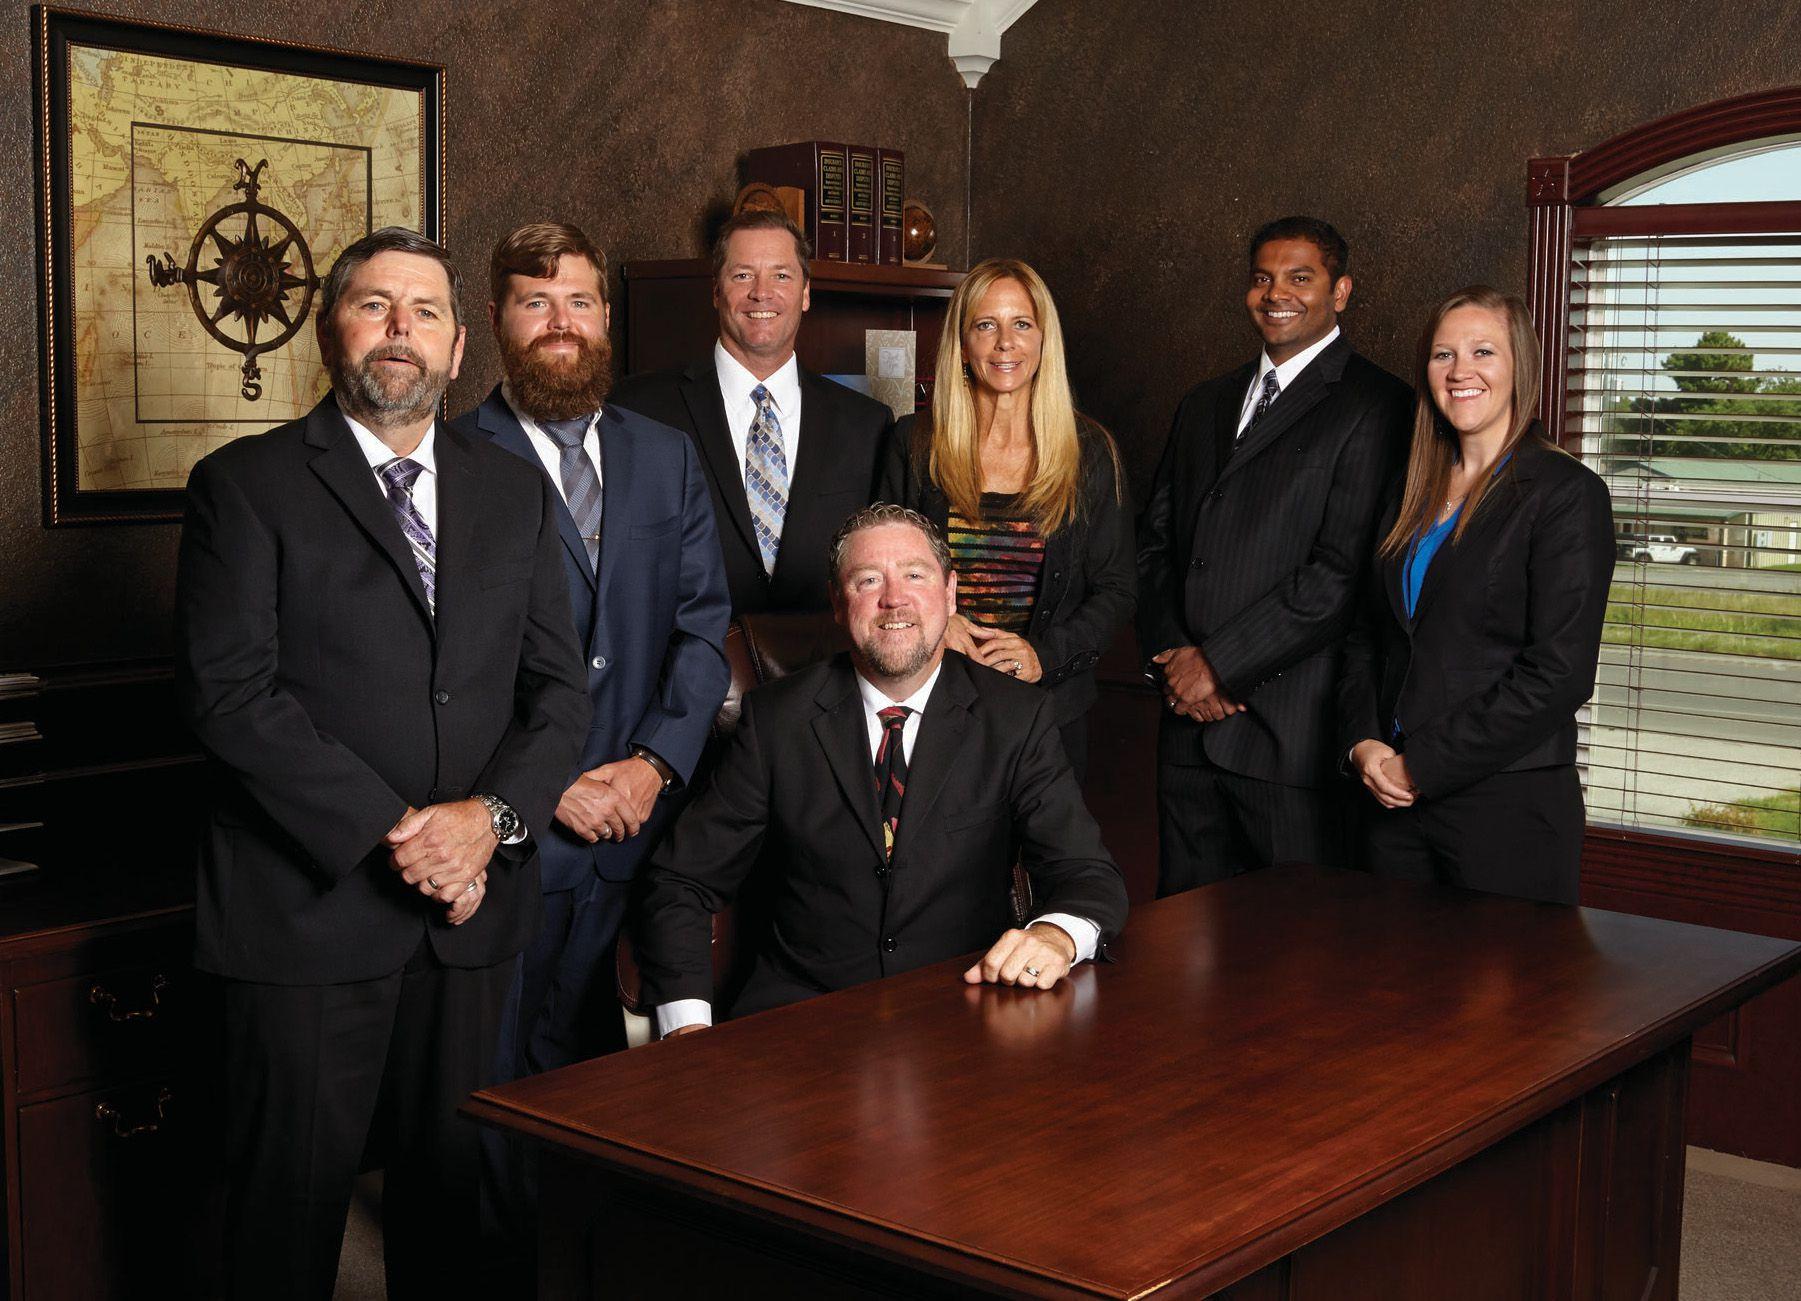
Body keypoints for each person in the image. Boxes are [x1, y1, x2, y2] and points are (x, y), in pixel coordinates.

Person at [175, 227, 590, 1299]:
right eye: (374, 305)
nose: (400, 330)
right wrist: (405, 836)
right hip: (306, 920)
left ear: (458, 348)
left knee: (459, 1219)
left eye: (425, 312)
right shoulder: (244, 485)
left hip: (472, 922)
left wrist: (486, 824)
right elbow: (231, 697)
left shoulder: (513, 491)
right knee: (283, 1227)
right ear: (331, 332)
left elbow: (558, 693)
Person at [447, 222, 730, 1238]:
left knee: (603, 1080)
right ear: (496, 322)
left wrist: (652, 765)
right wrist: (547, 781)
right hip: (520, 834)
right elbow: (448, 668)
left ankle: (591, 1260)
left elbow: (702, 629)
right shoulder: (453, 459)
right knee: (498, 1080)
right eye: (536, 302)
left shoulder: (665, 455)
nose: (560, 323)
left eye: (578, 300)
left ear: (606, 316)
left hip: (640, 829)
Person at [634, 505, 1130, 1035]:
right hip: (802, 1022)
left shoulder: (1015, 718)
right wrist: (686, 1028)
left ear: (950, 593)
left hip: (965, 1014)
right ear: (837, 602)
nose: (894, 599)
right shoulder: (777, 720)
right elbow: (681, 880)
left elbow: (1088, 875)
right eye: (868, 580)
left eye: (915, 575)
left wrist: (1056, 935)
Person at [1137, 215, 1411, 895]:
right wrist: (1178, 663)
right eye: (1262, 278)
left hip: (1292, 740)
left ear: (1340, 291)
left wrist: (1217, 666)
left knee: (1295, 943)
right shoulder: (1204, 402)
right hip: (1186, 732)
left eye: (1299, 278)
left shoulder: (1379, 405)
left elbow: (1338, 575)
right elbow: (1155, 545)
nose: (1275, 293)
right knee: (1181, 940)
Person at [1338, 286, 1613, 905]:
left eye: (1482, 352)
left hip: (1507, 806)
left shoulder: (1566, 494)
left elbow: (1559, 673)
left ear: (1521, 366)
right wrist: (1363, 744)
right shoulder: (1408, 492)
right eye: (1444, 355)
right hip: (1388, 801)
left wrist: (1423, 764)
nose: (1461, 371)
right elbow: (1367, 637)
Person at [877, 258, 1134, 779]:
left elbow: (1117, 589)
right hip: (932, 707)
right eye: (985, 325)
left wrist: (1043, 656)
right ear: (962, 344)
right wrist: (936, 625)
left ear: (1043, 339)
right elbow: (879, 569)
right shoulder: (915, 443)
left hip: (1048, 717)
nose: (1005, 343)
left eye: (1021, 324)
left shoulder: (1089, 453)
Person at [611, 208, 894, 614]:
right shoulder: (640, 409)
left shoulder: (866, 425)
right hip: (687, 652)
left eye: (781, 275)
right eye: (743, 275)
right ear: (716, 291)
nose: (762, 292)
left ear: (806, 293)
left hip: (821, 651)